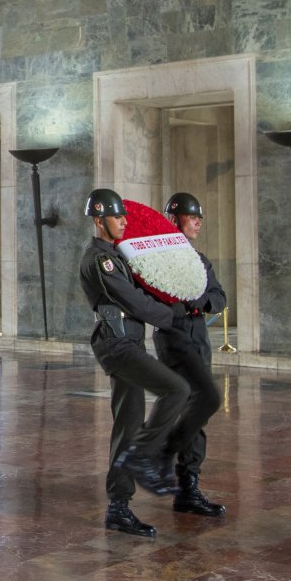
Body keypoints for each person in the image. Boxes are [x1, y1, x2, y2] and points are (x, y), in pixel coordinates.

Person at [78, 189, 191, 538]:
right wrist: (174, 315)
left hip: (128, 341)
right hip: (117, 345)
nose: (124, 221)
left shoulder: (117, 254)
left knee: (127, 423)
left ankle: (118, 508)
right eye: (117, 217)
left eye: (124, 216)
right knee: (177, 389)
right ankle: (143, 456)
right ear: (100, 221)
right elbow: (134, 301)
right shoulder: (101, 260)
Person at [152, 193, 227, 518]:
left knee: (199, 410)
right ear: (174, 218)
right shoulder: (156, 259)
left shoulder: (200, 261)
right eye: (191, 216)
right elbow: (162, 300)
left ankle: (188, 485)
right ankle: (160, 458)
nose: (197, 221)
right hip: (175, 339)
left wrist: (200, 301)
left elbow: (219, 297)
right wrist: (191, 302)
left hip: (199, 339)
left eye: (199, 217)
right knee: (192, 403)